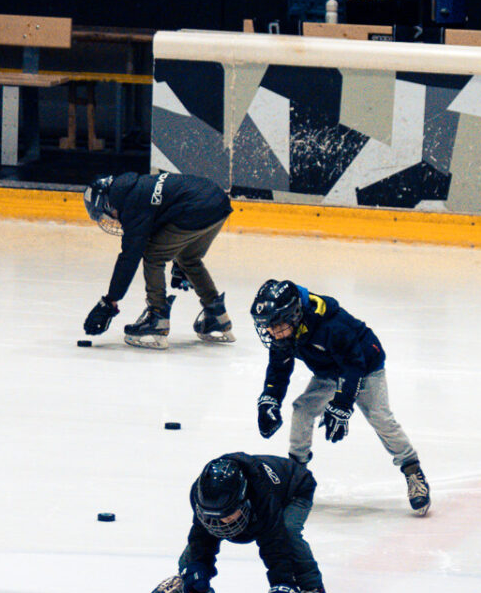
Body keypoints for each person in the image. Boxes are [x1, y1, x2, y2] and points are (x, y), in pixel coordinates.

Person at [248, 279, 431, 515]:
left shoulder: (331, 325)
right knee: (302, 410)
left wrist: (342, 404)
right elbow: (279, 367)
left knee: (380, 417)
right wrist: (270, 399)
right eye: (267, 327)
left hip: (365, 367)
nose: (272, 332)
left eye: (276, 326)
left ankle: (412, 469)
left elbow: (354, 364)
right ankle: (295, 476)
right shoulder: (285, 330)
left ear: (294, 315)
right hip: (328, 370)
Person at [147, 454, 332, 593]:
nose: (223, 522)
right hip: (261, 496)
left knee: (288, 531)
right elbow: (199, 536)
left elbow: (275, 544)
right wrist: (196, 568)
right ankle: (184, 578)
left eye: (228, 514)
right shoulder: (200, 494)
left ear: (244, 499)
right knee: (206, 530)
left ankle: (315, 591)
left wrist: (283, 586)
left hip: (295, 488)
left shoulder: (262, 495)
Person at [82, 172, 233, 348]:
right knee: (188, 258)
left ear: (108, 204)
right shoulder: (136, 187)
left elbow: (129, 257)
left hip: (196, 208)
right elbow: (168, 211)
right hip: (217, 202)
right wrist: (177, 260)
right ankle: (217, 315)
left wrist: (110, 301)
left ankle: (157, 318)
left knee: (153, 255)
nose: (113, 219)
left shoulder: (131, 205)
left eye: (107, 214)